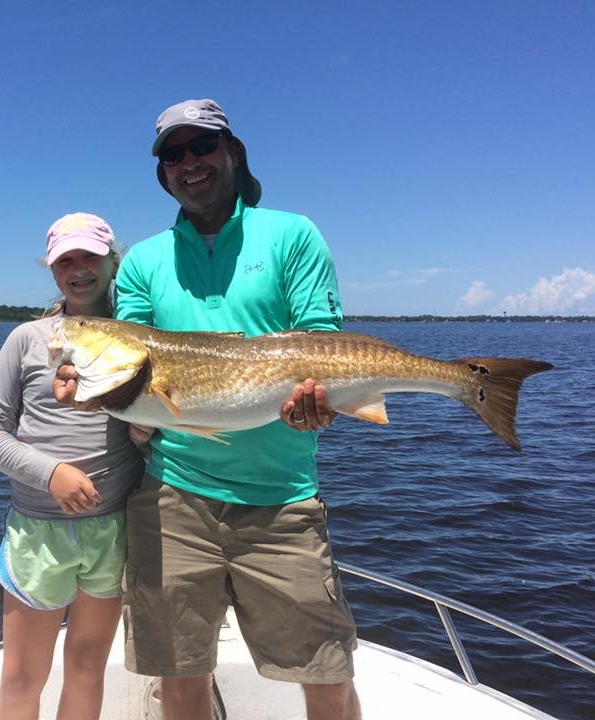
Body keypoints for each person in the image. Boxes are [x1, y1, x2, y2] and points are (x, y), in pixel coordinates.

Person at [55, 99, 361, 720]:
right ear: (162, 172)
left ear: (233, 152)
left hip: (283, 499)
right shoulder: (144, 261)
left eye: (202, 146)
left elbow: (321, 342)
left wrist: (320, 400)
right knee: (179, 679)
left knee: (327, 676)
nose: (189, 162)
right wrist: (97, 392)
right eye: (173, 154)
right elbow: (134, 373)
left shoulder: (292, 234)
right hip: (172, 500)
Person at [0, 212, 144, 720]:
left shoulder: (141, 339)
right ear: (51, 270)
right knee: (23, 677)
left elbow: (153, 430)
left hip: (113, 527)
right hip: (38, 531)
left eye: (90, 256)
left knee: (88, 667)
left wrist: (145, 433)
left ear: (113, 262)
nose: (79, 269)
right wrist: (51, 474)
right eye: (66, 260)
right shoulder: (27, 338)